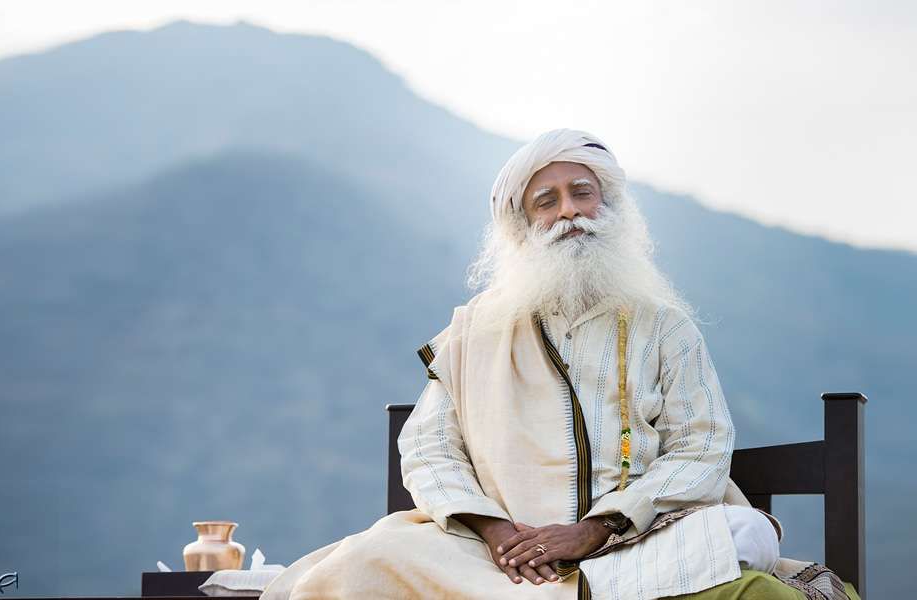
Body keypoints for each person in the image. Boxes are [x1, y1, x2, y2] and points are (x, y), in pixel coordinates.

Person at [261, 129, 856, 600]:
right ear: (524, 227)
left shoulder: (664, 327)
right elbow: (429, 450)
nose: (569, 211)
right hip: (504, 559)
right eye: (547, 201)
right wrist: (499, 534)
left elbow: (701, 447)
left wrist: (591, 531)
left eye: (582, 193)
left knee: (742, 540)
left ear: (610, 205)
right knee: (363, 564)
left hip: (637, 542)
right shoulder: (473, 332)